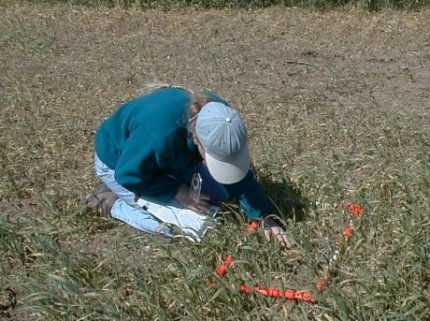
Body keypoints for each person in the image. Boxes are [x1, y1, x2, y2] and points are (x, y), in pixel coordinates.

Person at [85, 83, 292, 247]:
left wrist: (264, 215)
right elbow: (128, 174)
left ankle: (168, 178)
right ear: (196, 140)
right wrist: (176, 192)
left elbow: (240, 177)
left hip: (170, 159)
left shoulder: (221, 117)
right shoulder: (159, 137)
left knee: (221, 194)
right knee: (195, 227)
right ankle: (110, 201)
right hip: (120, 165)